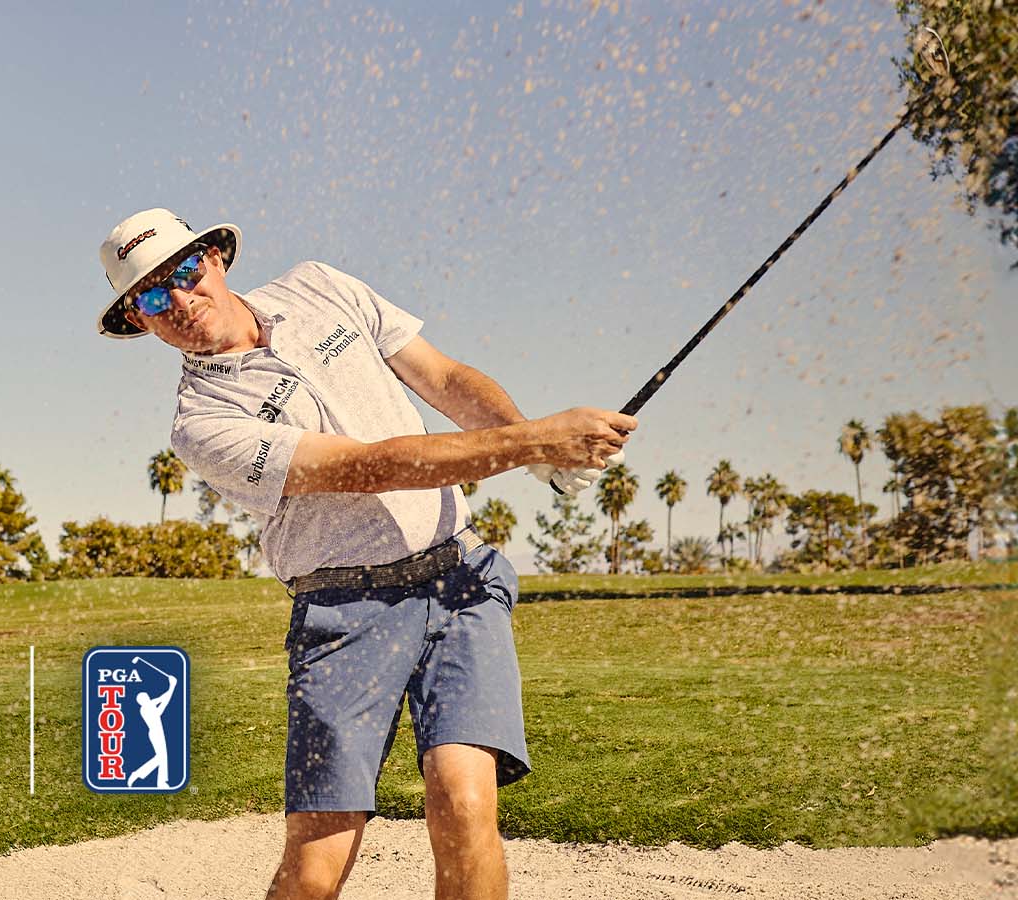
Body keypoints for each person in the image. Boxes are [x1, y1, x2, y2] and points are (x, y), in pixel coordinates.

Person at [95, 208, 634, 900]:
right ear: (136, 320)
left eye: (186, 271)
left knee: (465, 802)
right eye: (150, 295)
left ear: (216, 258)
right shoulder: (203, 422)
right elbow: (371, 467)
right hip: (344, 612)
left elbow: (442, 376)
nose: (178, 298)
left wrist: (531, 444)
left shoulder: (320, 286)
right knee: (319, 858)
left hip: (459, 579)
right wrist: (532, 443)